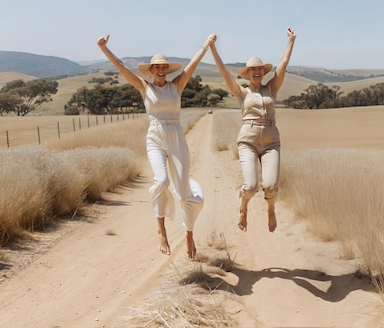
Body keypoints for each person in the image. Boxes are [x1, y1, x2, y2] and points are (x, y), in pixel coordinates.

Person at [97, 33, 215, 259]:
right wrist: (104, 49)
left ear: (168, 70)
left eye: (164, 67)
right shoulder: (143, 87)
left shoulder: (177, 85)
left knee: (183, 192)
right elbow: (121, 66)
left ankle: (189, 234)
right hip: (155, 137)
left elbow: (193, 63)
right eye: (157, 67)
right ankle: (161, 229)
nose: (161, 70)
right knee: (161, 180)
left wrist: (206, 45)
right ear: (151, 70)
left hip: (176, 136)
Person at [208, 27, 296, 233]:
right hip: (247, 140)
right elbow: (223, 71)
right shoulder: (242, 92)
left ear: (263, 72)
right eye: (252, 70)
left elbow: (283, 65)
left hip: (271, 142)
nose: (257, 72)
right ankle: (244, 206)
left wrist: (291, 41)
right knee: (250, 186)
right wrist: (212, 47)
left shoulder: (272, 88)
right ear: (247, 73)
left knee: (271, 186)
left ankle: (271, 209)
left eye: (260, 69)